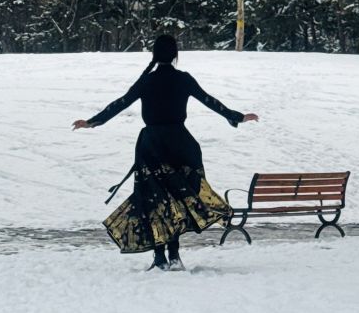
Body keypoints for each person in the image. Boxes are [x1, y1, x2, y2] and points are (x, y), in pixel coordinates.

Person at [73, 34, 259, 270]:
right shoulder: (183, 79)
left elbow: (120, 103)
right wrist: (237, 117)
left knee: (155, 200)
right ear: (175, 55)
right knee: (177, 199)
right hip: (181, 144)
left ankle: (161, 257)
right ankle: (173, 256)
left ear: (155, 55)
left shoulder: (147, 81)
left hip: (152, 145)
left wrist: (92, 122)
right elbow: (210, 101)